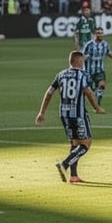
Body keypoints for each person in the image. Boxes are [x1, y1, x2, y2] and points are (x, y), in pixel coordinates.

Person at [35, 50, 106, 184]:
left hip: (64, 114)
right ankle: (64, 164)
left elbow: (49, 93)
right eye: (82, 61)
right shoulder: (83, 75)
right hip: (78, 114)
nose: (84, 63)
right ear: (78, 61)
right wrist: (97, 108)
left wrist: (42, 112)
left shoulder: (60, 75)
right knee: (85, 144)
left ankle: (73, 176)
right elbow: (89, 93)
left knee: (75, 143)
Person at [81, 27, 112, 105]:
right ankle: (82, 103)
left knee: (102, 85)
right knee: (88, 92)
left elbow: (110, 54)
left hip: (100, 71)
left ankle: (98, 103)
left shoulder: (105, 44)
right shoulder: (89, 45)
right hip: (88, 72)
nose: (101, 35)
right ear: (94, 34)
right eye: (98, 33)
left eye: (102, 33)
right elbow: (82, 57)